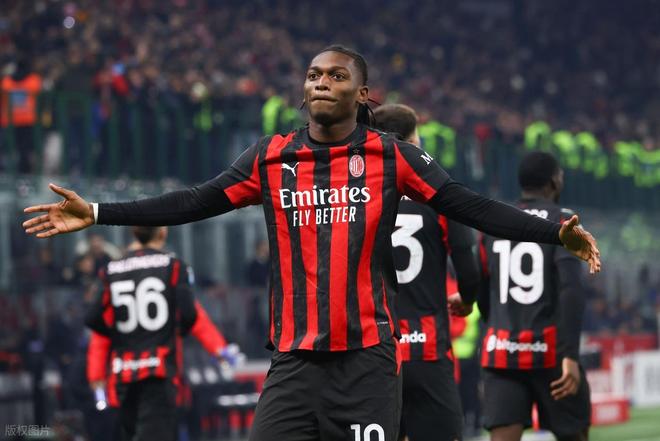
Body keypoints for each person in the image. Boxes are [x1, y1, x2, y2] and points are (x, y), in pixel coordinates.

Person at [23, 45, 600, 441]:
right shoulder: (271, 157)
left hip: (367, 363)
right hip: (294, 364)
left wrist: (555, 232)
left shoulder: (392, 157)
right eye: (313, 75)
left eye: (336, 76)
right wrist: (96, 213)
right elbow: (194, 201)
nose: (321, 82)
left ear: (362, 93)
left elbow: (469, 205)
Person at [374, 103, 479, 441]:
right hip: (427, 351)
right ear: (411, 143)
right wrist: (468, 297)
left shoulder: (358, 196)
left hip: (375, 353)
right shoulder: (437, 194)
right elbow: (467, 262)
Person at [83, 225, 239, 441]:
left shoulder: (111, 271)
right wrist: (219, 349)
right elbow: (193, 316)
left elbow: (98, 330)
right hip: (160, 370)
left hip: (122, 375)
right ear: (163, 232)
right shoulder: (170, 267)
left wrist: (96, 376)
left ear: (133, 232)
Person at [477, 151, 592, 441]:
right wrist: (570, 355)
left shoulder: (496, 222)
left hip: (502, 354)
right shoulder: (563, 221)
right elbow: (571, 290)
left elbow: (481, 288)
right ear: (554, 182)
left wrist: (498, 326)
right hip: (552, 353)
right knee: (574, 434)